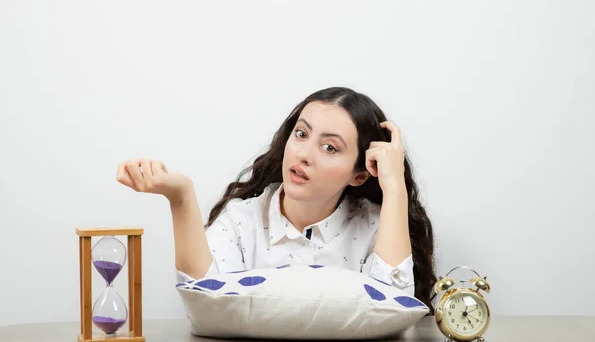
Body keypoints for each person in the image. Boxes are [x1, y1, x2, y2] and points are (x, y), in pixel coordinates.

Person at [116, 87, 436, 311]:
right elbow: (205, 304)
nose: (304, 154)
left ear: (359, 174)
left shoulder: (376, 227)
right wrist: (181, 196)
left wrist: (394, 187)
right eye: (301, 134)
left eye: (330, 147)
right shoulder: (241, 221)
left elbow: (394, 309)